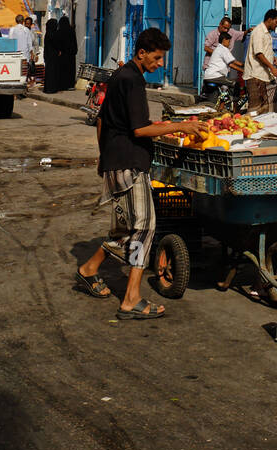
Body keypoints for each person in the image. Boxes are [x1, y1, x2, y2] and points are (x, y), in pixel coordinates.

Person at [75, 28, 205, 318]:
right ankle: (131, 298)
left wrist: (103, 156)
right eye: (157, 58)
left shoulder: (119, 77)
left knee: (124, 230)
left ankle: (89, 269)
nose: (160, 64)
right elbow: (139, 129)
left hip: (116, 161)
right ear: (142, 53)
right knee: (144, 227)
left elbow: (101, 121)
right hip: (130, 164)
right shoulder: (132, 80)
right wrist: (180, 127)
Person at [243, 8, 277, 113]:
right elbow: (259, 53)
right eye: (276, 22)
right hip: (255, 75)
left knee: (264, 108)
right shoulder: (258, 32)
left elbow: (264, 50)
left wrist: (273, 58)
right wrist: (272, 67)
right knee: (255, 107)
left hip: (263, 76)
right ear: (270, 19)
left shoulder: (267, 34)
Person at [203, 29, 245, 97]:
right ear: (224, 40)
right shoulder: (223, 49)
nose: (229, 43)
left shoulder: (218, 48)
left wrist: (242, 65)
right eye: (228, 41)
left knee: (225, 90)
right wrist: (243, 70)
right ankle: (235, 105)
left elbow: (233, 61)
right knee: (236, 84)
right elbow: (231, 64)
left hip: (209, 75)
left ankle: (222, 106)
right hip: (216, 76)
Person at [9, 14, 33, 92]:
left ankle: (15, 88)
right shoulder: (26, 30)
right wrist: (31, 53)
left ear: (16, 21)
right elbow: (29, 43)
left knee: (15, 72)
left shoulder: (12, 30)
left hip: (15, 55)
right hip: (25, 55)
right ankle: (23, 87)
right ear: (23, 21)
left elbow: (10, 42)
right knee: (24, 72)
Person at [57, 15, 78, 90]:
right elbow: (74, 42)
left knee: (62, 70)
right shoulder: (71, 30)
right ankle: (70, 84)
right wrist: (75, 51)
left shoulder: (59, 31)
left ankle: (62, 85)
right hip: (71, 54)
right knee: (70, 70)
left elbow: (58, 43)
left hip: (62, 55)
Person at [42, 19, 61, 93]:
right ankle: (52, 88)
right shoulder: (53, 33)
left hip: (48, 55)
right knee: (53, 72)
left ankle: (47, 88)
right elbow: (55, 44)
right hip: (53, 55)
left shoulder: (47, 33)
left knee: (48, 72)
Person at [25, 16, 40, 88]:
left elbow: (36, 43)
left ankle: (31, 82)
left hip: (31, 54)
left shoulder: (33, 33)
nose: (27, 25)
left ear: (31, 24)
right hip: (24, 53)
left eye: (29, 23)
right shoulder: (22, 31)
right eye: (26, 23)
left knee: (32, 68)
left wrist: (36, 54)